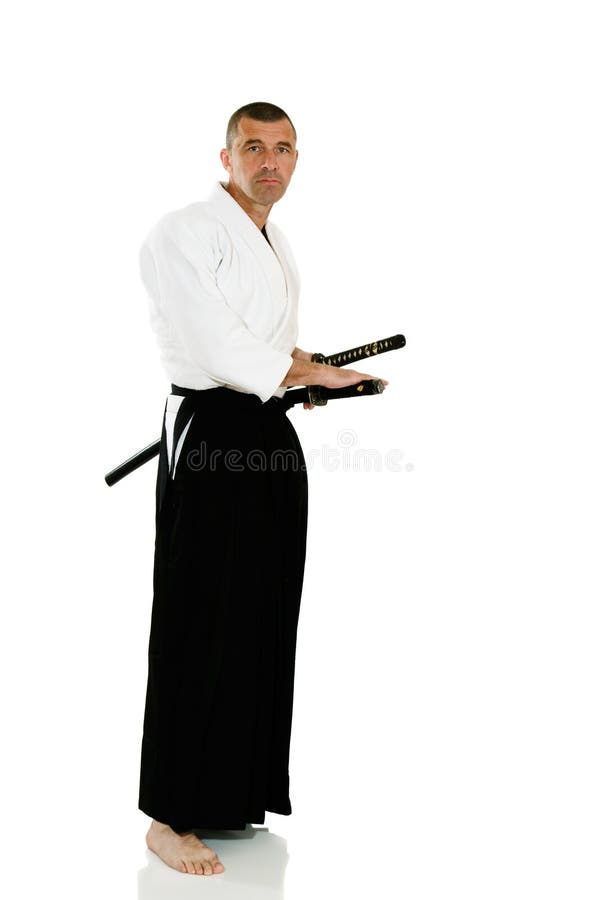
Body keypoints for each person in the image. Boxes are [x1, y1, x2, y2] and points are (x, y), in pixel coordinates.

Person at [137, 101, 388, 876]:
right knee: (198, 611)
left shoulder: (274, 240)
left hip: (264, 432)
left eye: (284, 149)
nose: (270, 161)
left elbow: (262, 345)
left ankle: (228, 794)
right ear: (226, 157)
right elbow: (216, 346)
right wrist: (303, 370)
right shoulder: (182, 230)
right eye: (254, 147)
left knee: (259, 608)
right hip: (211, 435)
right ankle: (167, 816)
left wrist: (305, 369)